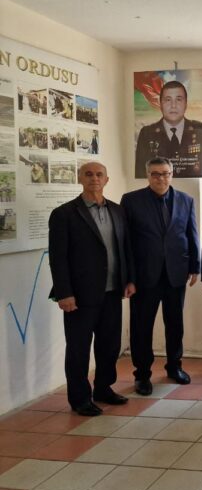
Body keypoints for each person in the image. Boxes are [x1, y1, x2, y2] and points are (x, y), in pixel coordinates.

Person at [48, 162, 135, 416]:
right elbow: (58, 257)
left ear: (106, 180)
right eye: (88, 174)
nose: (94, 178)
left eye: (99, 175)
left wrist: (129, 279)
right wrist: (64, 292)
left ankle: (103, 389)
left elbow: (125, 248)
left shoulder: (117, 211)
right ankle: (79, 399)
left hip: (112, 292)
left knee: (109, 345)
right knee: (78, 349)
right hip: (79, 295)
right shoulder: (64, 214)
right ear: (80, 178)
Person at [121, 157, 200, 395]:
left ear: (172, 174)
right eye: (155, 173)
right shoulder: (131, 201)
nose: (161, 178)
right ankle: (142, 374)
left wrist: (195, 266)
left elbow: (192, 234)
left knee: (175, 324)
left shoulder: (186, 200)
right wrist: (128, 277)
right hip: (144, 276)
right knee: (141, 327)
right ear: (148, 175)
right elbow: (125, 242)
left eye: (165, 173)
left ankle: (174, 367)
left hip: (176, 274)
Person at [134, 80, 202, 178]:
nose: (173, 105)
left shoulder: (199, 130)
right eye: (168, 100)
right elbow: (141, 172)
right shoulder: (147, 134)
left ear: (186, 103)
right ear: (160, 104)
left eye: (178, 99)